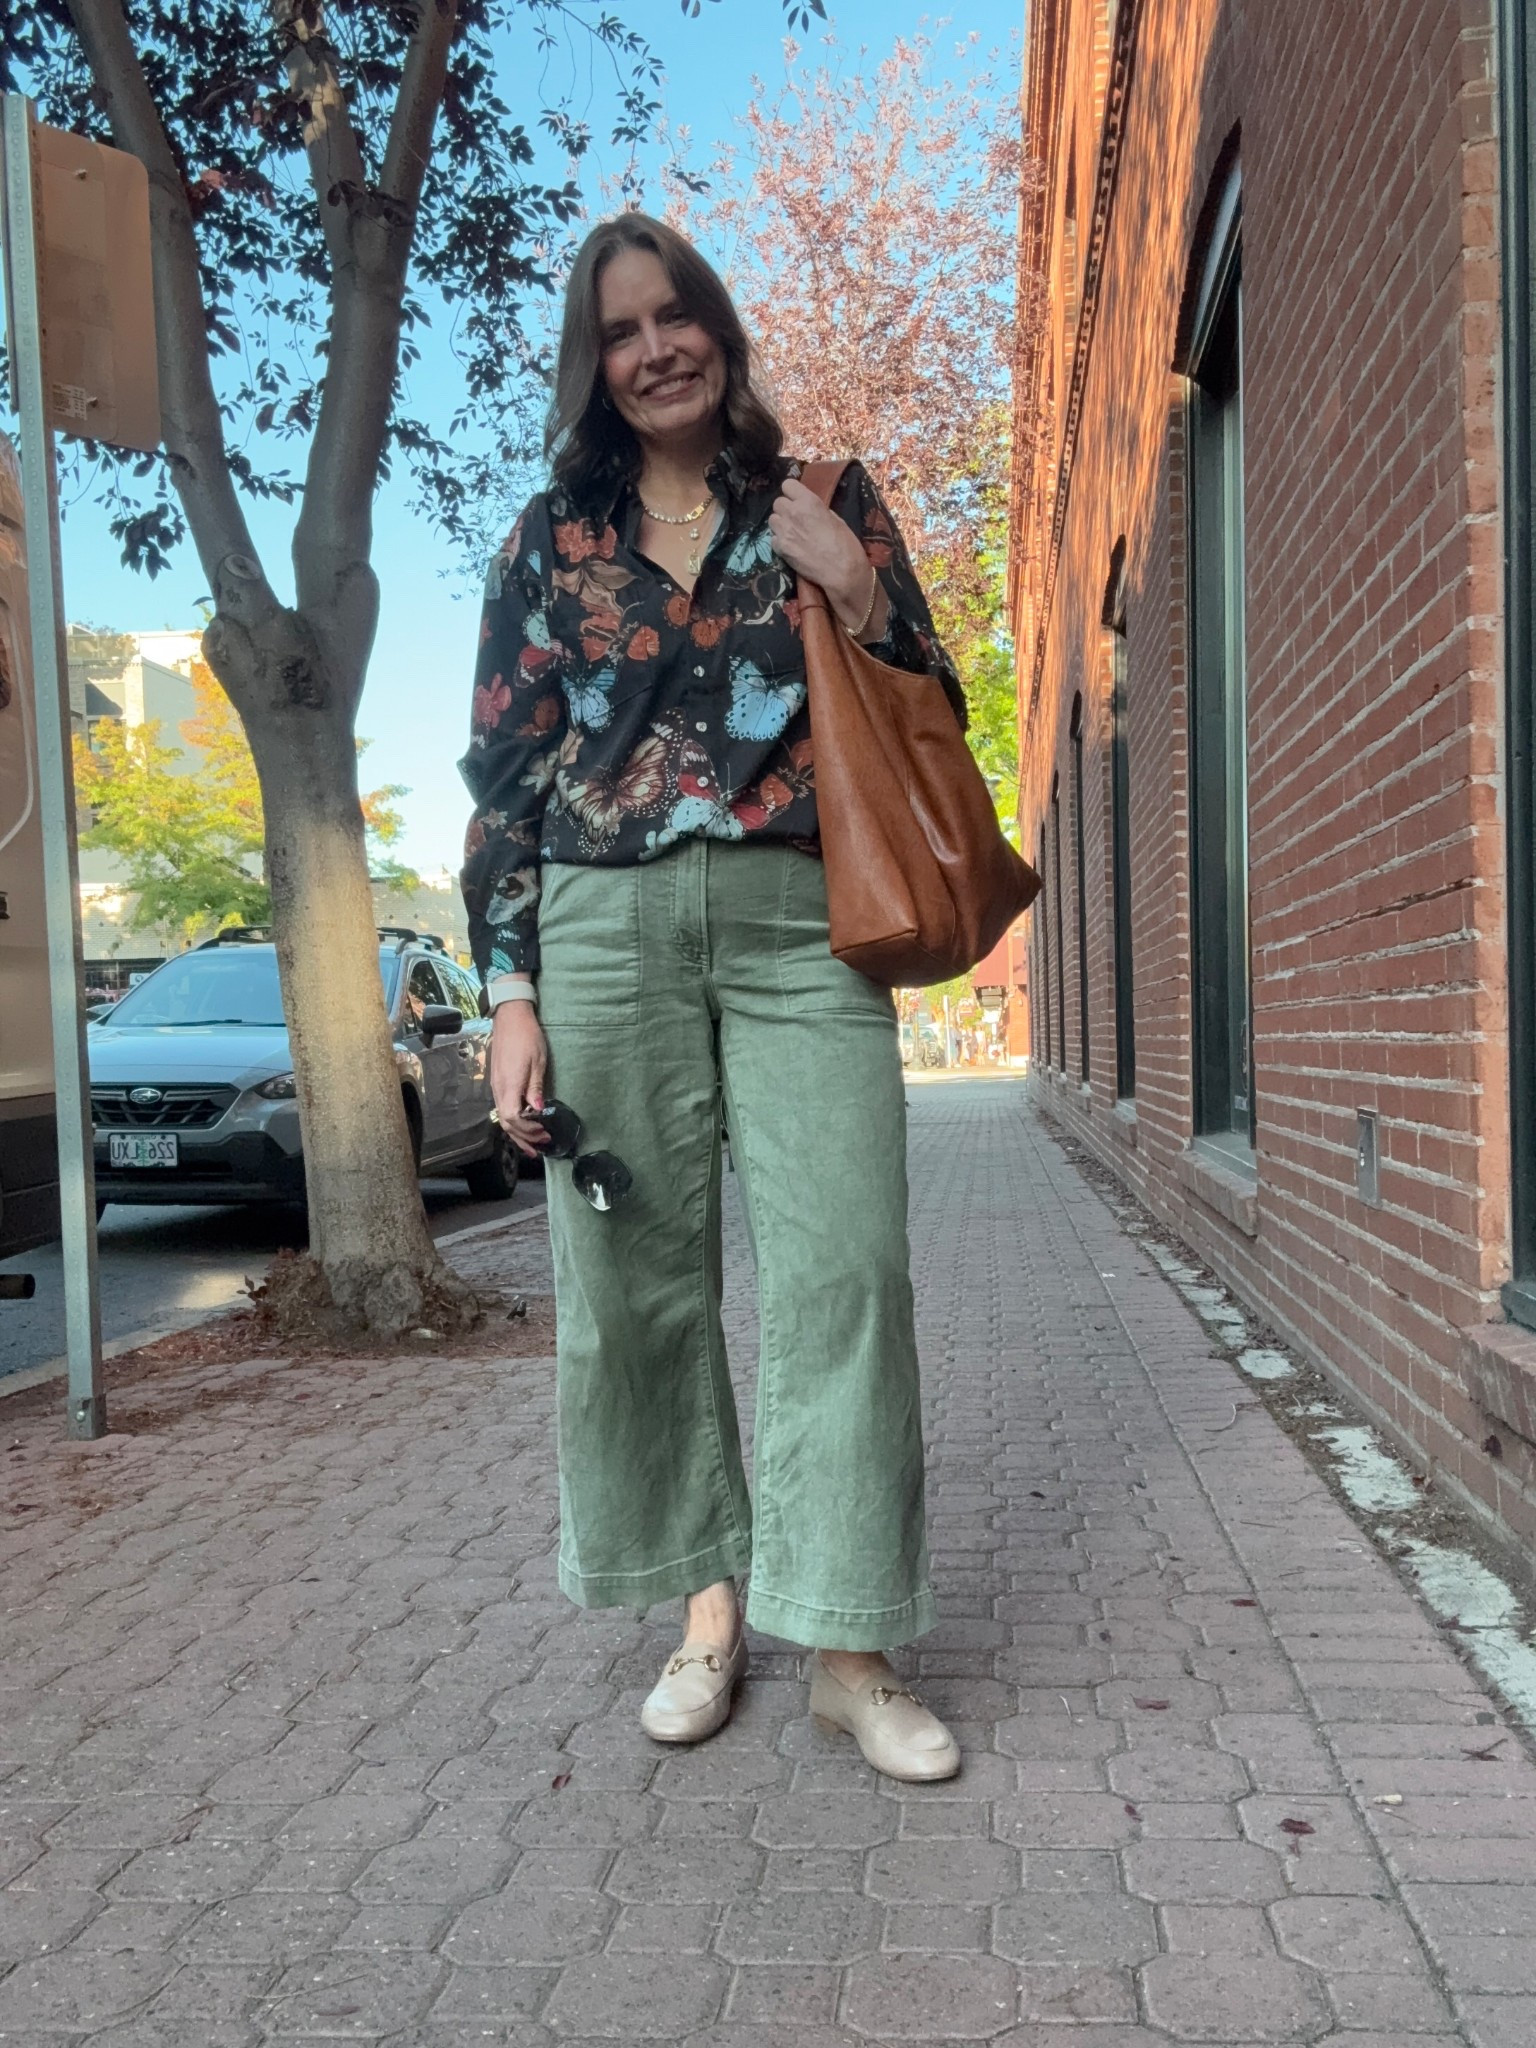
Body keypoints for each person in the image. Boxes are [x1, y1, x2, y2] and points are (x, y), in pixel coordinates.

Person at [459, 213, 966, 1782]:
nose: (655, 348)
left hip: (800, 925)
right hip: (603, 932)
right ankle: (707, 1612)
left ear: (720, 329)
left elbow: (939, 707)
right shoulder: (552, 539)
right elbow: (506, 776)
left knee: (849, 1266)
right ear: (593, 363)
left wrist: (859, 592)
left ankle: (851, 1648)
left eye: (675, 314)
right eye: (620, 330)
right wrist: (510, 992)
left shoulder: (822, 499)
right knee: (632, 1289)